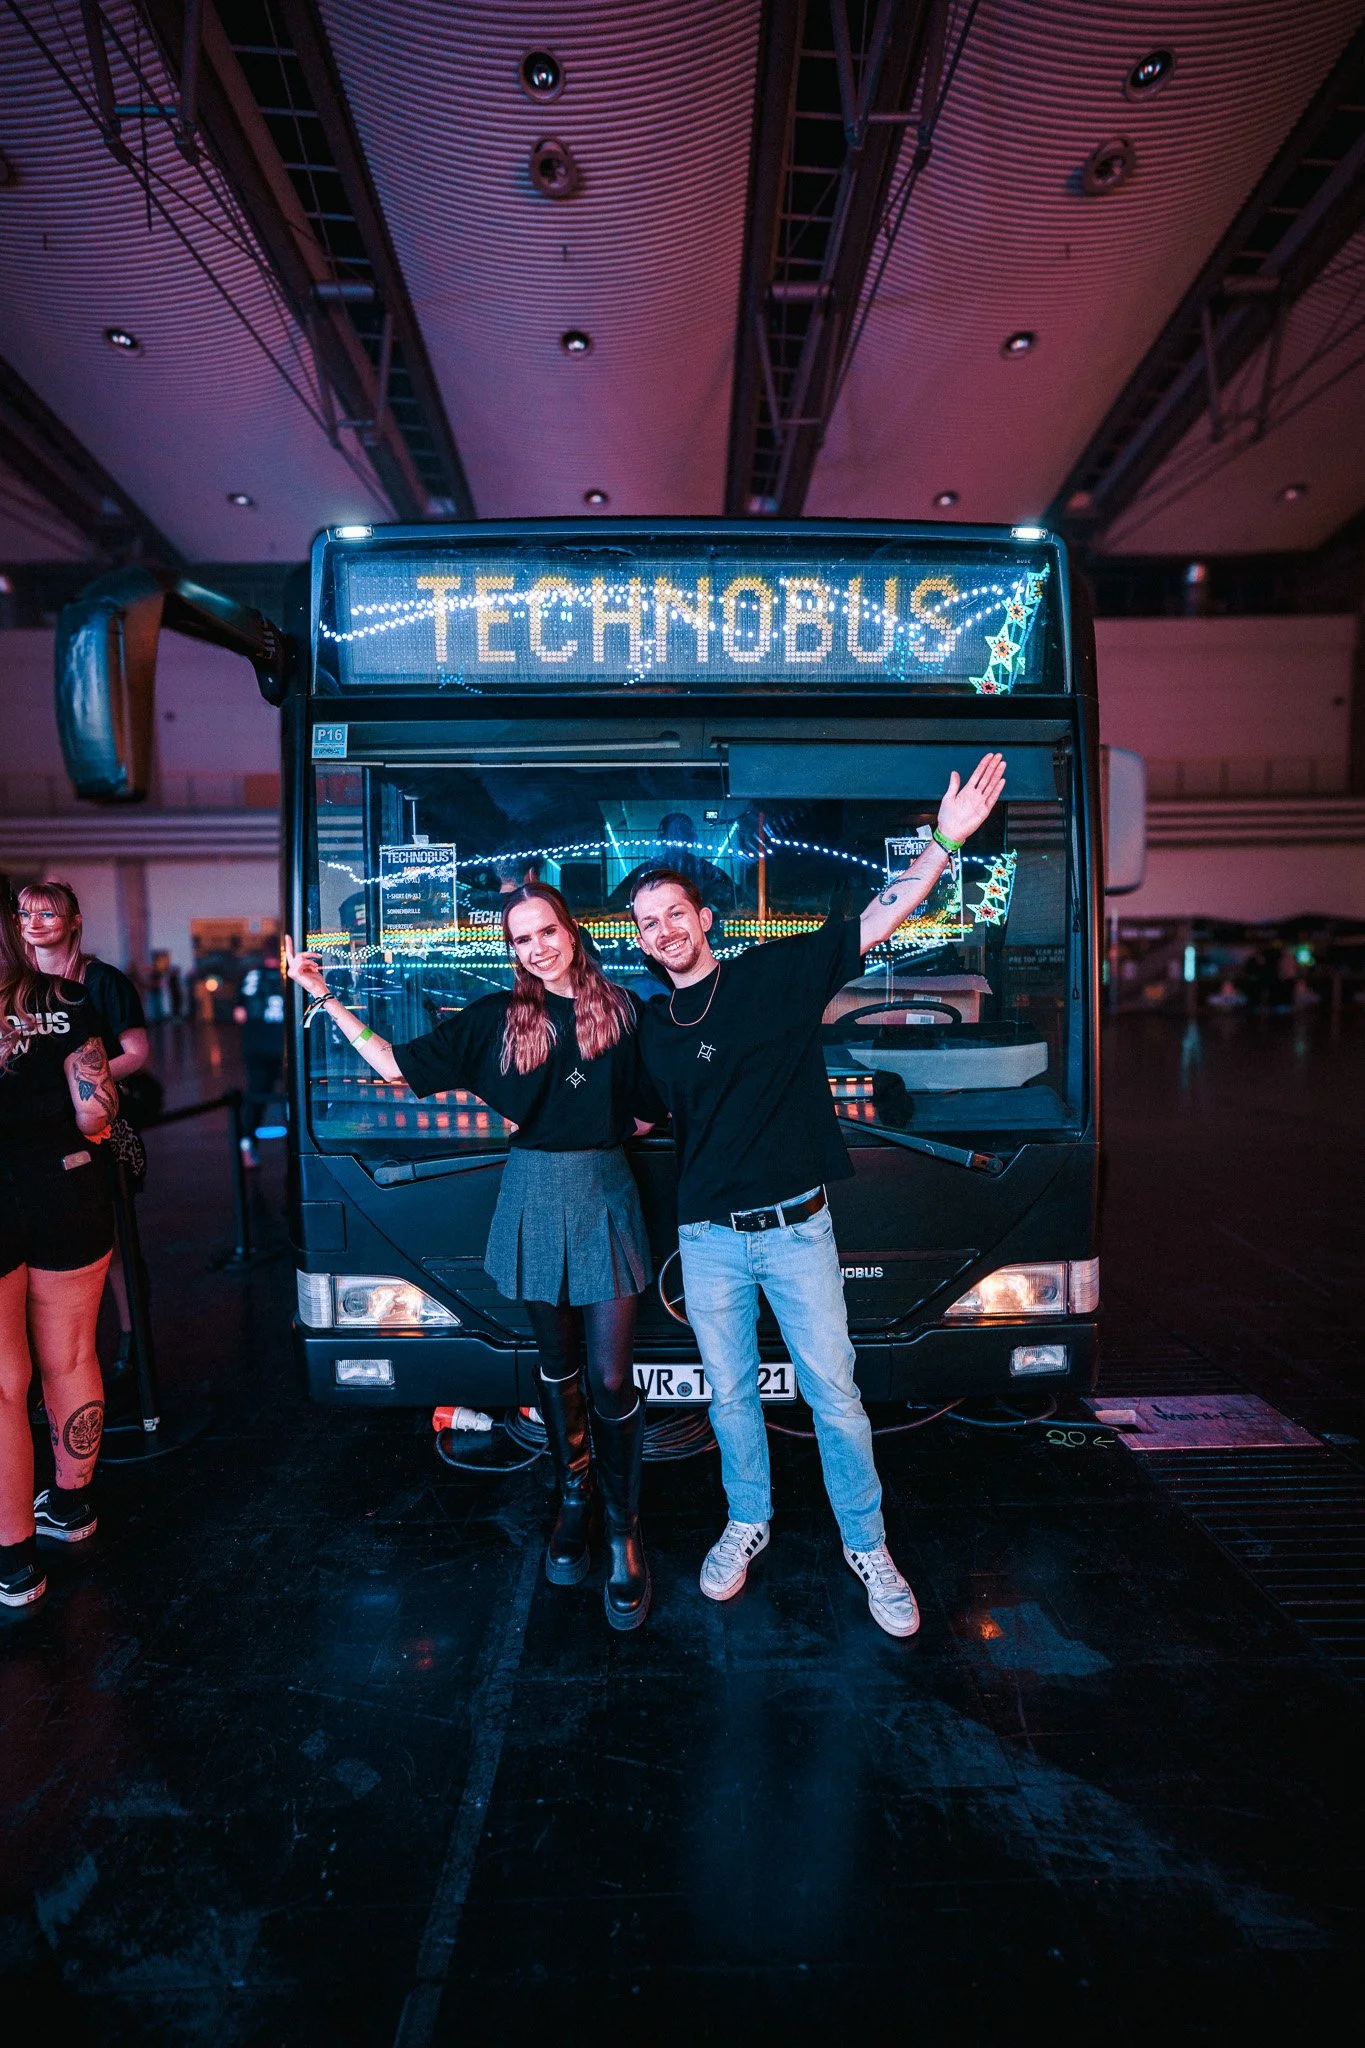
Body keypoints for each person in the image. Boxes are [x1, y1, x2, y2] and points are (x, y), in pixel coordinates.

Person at [629, 753, 1006, 1639]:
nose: (664, 930)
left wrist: (944, 841)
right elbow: (638, 1117)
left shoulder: (773, 976)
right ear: (640, 941)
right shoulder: (649, 1025)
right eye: (648, 923)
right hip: (708, 1239)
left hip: (797, 1230)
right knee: (728, 1399)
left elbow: (879, 915)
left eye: (675, 913)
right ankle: (745, 1522)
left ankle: (867, 1545)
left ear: (704, 919)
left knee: (833, 1395)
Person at [284, 883, 658, 1631]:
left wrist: (595, 1133)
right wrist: (321, 995)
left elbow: (652, 1109)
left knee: (612, 1377)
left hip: (605, 1192)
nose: (538, 948)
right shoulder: (497, 1018)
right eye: (522, 939)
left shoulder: (622, 1009)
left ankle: (624, 1531)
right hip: (532, 1194)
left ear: (570, 930)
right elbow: (395, 1067)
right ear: (511, 950)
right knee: (557, 1366)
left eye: (547, 931)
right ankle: (574, 1500)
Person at [0, 895, 119, 1608]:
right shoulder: (66, 999)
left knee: (2, 1382)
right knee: (71, 1356)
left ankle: (15, 1562)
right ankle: (70, 1508)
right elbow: (96, 1111)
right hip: (67, 1186)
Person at [19, 883, 156, 1376]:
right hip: (34, 1135)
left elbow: (136, 1053)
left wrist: (76, 1085)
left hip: (97, 1126)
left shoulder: (101, 980)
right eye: (25, 914)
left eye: (48, 914)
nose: (34, 923)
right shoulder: (17, 984)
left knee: (111, 1239)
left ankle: (131, 1340)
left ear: (74, 920)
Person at [233, 958, 287, 1167]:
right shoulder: (288, 975)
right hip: (284, 1045)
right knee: (293, 1096)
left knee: (255, 1096)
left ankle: (247, 1146)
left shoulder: (251, 976)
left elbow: (239, 1014)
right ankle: (296, 1146)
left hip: (255, 1044)